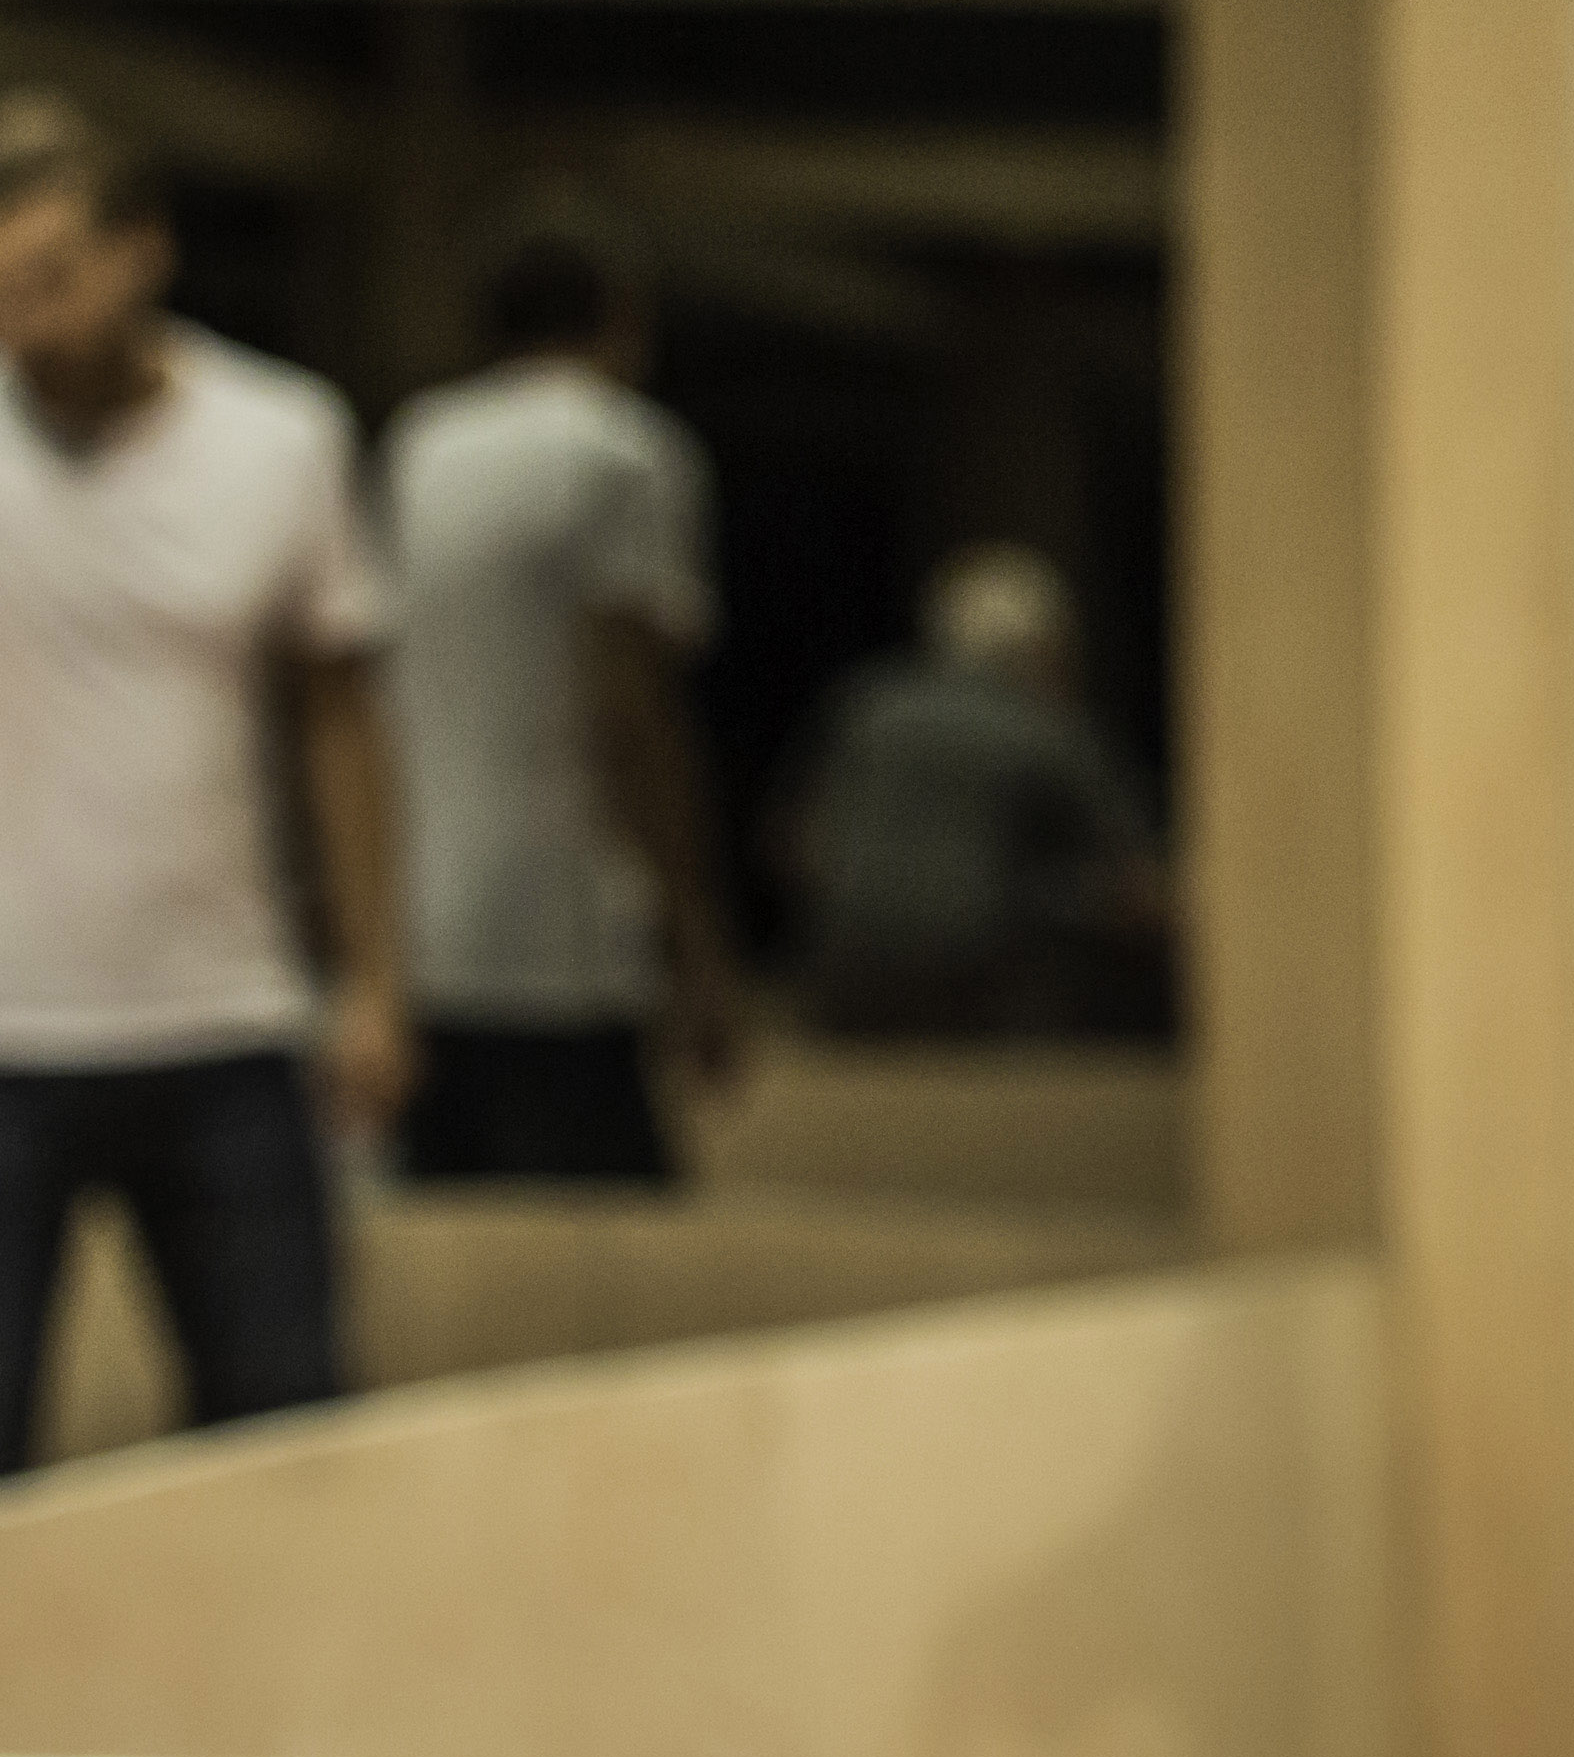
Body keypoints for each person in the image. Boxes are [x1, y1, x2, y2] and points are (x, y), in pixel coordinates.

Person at [0, 91, 404, 1497]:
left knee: (283, 1442)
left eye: (50, 281)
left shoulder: (279, 437)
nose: (21, 325)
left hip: (221, 1015)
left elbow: (339, 715)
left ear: (144, 252)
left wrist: (375, 976)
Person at [383, 226, 739, 1184]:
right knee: (615, 1249)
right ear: (624, 317)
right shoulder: (624, 452)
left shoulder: (422, 445)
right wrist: (693, 935)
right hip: (567, 928)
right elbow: (630, 707)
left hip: (425, 916)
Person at [794, 545, 1170, 1041]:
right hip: (983, 995)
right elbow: (1137, 883)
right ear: (1042, 648)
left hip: (846, 984)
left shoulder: (867, 705)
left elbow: (798, 843)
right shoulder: (1045, 724)